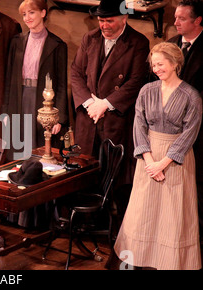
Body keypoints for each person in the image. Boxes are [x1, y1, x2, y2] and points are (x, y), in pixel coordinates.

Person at [113, 42, 202, 270]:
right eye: (154, 65)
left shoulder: (191, 96)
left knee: (173, 214)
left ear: (174, 64)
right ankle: (142, 260)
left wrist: (164, 162)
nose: (156, 69)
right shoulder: (147, 91)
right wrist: (150, 161)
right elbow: (138, 126)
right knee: (144, 211)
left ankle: (170, 263)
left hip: (175, 161)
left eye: (161, 64)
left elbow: (190, 134)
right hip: (149, 159)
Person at [70, 0, 150, 220]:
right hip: (89, 118)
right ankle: (89, 225)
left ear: (124, 18)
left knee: (117, 177)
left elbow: (136, 81)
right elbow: (76, 72)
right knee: (86, 172)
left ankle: (118, 231)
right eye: (101, 19)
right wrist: (89, 103)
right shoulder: (90, 38)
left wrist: (105, 103)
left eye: (109, 20)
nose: (104, 25)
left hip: (116, 119)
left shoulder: (138, 42)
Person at [2, 0, 68, 229]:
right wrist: (6, 111)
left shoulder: (56, 44)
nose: (27, 18)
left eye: (31, 12)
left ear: (43, 13)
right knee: (19, 153)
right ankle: (14, 215)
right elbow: (10, 79)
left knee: (40, 155)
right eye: (24, 14)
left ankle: (39, 218)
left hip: (43, 105)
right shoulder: (17, 41)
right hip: (20, 100)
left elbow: (61, 84)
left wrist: (59, 116)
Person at [167, 0, 203, 251]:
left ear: (197, 21)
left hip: (198, 131)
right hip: (168, 128)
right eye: (175, 18)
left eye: (182, 19)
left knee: (195, 188)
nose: (176, 23)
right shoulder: (170, 45)